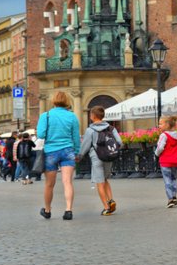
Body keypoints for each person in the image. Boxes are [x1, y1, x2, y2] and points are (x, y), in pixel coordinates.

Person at [36, 91, 81, 220]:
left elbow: (41, 134)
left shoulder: (46, 115)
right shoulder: (72, 116)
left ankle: (47, 210)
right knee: (67, 182)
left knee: (49, 184)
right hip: (68, 151)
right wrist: (76, 151)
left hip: (51, 151)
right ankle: (68, 210)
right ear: (67, 101)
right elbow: (76, 137)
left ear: (53, 101)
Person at [78, 106, 122, 215]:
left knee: (99, 182)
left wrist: (79, 157)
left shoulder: (90, 130)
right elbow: (120, 142)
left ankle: (106, 207)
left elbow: (85, 146)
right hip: (109, 156)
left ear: (92, 116)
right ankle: (111, 200)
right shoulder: (111, 128)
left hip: (96, 157)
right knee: (106, 179)